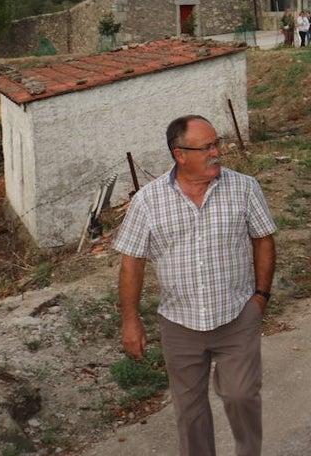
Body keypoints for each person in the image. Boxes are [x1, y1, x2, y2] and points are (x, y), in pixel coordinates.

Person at [115, 115, 277, 456]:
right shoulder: (148, 201)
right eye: (207, 147)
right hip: (180, 323)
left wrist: (260, 296)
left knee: (241, 396)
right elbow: (131, 262)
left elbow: (263, 239)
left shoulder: (244, 187)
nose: (217, 152)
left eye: (217, 143)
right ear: (180, 154)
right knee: (190, 413)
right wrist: (131, 320)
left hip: (236, 314)